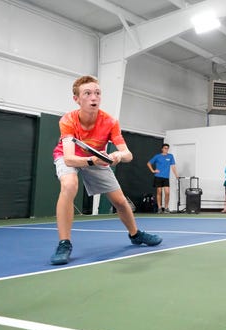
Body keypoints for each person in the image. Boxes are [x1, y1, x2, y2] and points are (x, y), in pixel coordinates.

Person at [50, 76, 162, 265]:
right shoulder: (68, 120)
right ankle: (64, 243)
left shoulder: (110, 121)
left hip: (96, 159)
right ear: (76, 99)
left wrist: (117, 156)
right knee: (69, 185)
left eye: (97, 93)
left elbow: (128, 154)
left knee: (119, 200)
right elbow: (69, 158)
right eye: (87, 93)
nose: (94, 97)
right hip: (70, 156)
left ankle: (135, 234)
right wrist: (91, 161)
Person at [147, 143, 178, 213]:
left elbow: (173, 166)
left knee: (167, 193)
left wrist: (176, 175)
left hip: (166, 177)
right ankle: (159, 208)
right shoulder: (157, 156)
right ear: (162, 149)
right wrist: (153, 170)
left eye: (167, 148)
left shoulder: (170, 156)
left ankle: (166, 208)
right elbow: (148, 163)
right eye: (165, 148)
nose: (166, 149)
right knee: (159, 192)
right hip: (158, 177)